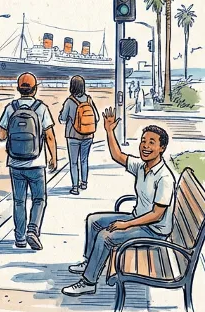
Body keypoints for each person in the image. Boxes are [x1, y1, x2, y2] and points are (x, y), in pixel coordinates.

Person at [61, 109, 176, 296]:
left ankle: (89, 281)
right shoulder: (142, 166)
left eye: (151, 143)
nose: (145, 146)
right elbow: (118, 156)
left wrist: (126, 224)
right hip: (138, 219)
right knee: (94, 221)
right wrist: (109, 130)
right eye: (143, 141)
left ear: (162, 148)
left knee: (106, 236)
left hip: (154, 231)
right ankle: (90, 261)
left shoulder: (164, 178)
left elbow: (157, 214)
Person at [0, 72, 58, 250]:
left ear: (18, 89)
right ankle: (33, 229)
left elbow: (1, 135)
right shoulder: (41, 108)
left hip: (15, 163)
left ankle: (20, 238)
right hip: (36, 163)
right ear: (35, 89)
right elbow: (50, 137)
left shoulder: (11, 108)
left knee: (18, 201)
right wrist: (53, 157)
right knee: (39, 199)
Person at [58, 76, 99, 195]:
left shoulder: (69, 101)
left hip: (73, 136)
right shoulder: (89, 100)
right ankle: (84, 183)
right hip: (88, 136)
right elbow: (96, 117)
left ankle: (75, 187)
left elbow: (63, 118)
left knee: (74, 162)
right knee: (84, 160)